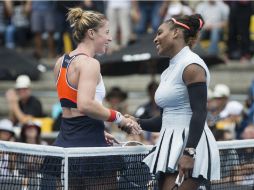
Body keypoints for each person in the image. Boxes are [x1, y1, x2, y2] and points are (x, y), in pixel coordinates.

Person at [44, 7, 140, 190]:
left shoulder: (60, 62)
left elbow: (72, 107)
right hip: (90, 147)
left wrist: (99, 131)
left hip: (67, 142)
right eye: (107, 33)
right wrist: (120, 117)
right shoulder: (90, 63)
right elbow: (85, 104)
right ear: (91, 33)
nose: (110, 38)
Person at [125, 14, 220, 190]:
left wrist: (189, 153)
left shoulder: (191, 65)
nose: (155, 39)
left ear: (176, 33)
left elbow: (199, 112)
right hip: (170, 146)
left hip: (190, 147)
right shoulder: (168, 71)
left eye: (160, 33)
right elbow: (164, 120)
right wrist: (135, 122)